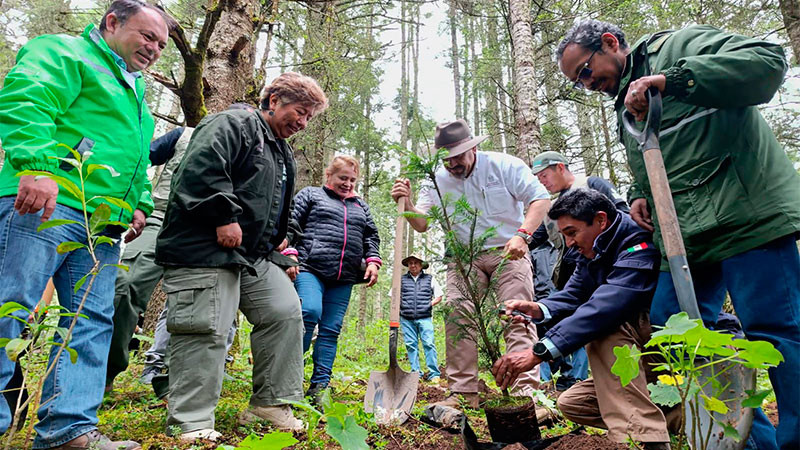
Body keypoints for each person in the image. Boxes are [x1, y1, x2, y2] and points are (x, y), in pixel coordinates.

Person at [556, 20, 800, 449]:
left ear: (610, 44)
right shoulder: (622, 106)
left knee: (775, 332)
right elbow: (651, 157)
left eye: (585, 71)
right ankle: (751, 442)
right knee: (671, 331)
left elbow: (768, 63)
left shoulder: (681, 47)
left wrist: (676, 81)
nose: (587, 83)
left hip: (746, 217)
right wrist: (637, 194)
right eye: (578, 81)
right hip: (685, 236)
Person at [0, 1, 168, 448]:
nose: (154, 49)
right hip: (46, 203)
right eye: (147, 36)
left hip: (102, 227)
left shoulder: (134, 93)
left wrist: (138, 204)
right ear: (112, 22)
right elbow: (27, 96)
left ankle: (67, 429)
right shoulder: (64, 52)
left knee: (91, 320)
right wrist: (36, 166)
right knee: (10, 306)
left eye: (161, 44)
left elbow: (134, 157)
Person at [154, 72, 327, 441]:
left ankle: (269, 403)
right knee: (207, 327)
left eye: (309, 117)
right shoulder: (233, 123)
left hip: (250, 255)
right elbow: (201, 170)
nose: (302, 122)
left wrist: (279, 241)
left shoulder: (280, 148)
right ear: (275, 99)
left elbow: (272, 204)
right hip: (203, 247)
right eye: (299, 111)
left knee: (284, 312)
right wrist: (223, 216)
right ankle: (191, 421)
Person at [492, 189, 672, 450]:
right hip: (643, 358)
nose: (569, 242)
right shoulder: (594, 248)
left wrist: (539, 351)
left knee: (604, 329)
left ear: (600, 220)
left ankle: (647, 440)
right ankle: (679, 416)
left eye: (571, 232)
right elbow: (576, 291)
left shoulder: (637, 241)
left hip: (663, 345)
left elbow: (608, 306)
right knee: (572, 403)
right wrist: (538, 308)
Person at [391, 119, 551, 406]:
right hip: (463, 258)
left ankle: (526, 393)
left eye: (458, 157)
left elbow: (540, 199)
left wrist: (522, 236)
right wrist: (410, 204)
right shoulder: (436, 180)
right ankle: (463, 393)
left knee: (516, 315)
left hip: (509, 250)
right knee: (457, 316)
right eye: (446, 159)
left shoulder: (504, 165)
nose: (452, 165)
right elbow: (422, 224)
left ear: (473, 149)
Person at [105, 103, 254, 390]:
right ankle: (105, 372)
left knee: (198, 308)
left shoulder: (255, 152)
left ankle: (173, 383)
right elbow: (138, 160)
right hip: (162, 219)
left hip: (211, 232)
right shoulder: (184, 135)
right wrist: (140, 200)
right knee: (125, 285)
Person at [527, 151, 629, 390]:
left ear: (560, 167)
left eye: (545, 175)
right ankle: (571, 378)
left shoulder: (592, 185)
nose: (542, 181)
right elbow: (536, 238)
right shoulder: (551, 209)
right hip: (571, 277)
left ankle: (583, 379)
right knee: (570, 321)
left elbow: (623, 214)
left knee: (599, 323)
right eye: (538, 178)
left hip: (607, 272)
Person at [284, 155, 381, 404]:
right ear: (329, 175)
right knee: (308, 311)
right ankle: (290, 379)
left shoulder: (361, 206)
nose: (348, 184)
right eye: (342, 178)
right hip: (309, 267)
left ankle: (320, 386)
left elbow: (371, 236)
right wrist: (290, 251)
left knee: (331, 329)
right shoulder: (311, 195)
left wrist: (372, 260)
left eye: (352, 179)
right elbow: (290, 222)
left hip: (344, 276)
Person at [398, 254, 443, 381]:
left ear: (421, 265)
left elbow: (439, 296)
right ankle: (416, 373)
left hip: (425, 317)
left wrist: (428, 305)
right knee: (411, 345)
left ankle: (434, 374)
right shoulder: (401, 280)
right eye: (410, 263)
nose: (413, 265)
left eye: (415, 263)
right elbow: (393, 295)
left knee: (429, 343)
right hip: (406, 318)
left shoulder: (430, 279)